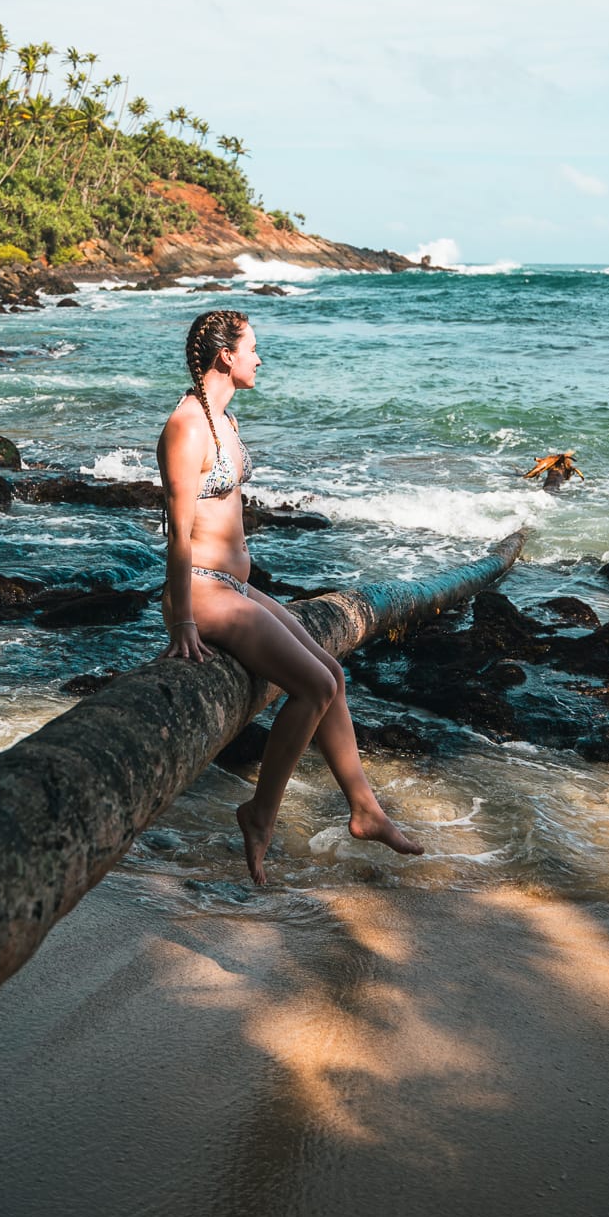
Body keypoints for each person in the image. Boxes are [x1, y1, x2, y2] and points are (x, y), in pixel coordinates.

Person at [156, 308, 424, 885]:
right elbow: (179, 531)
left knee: (333, 671)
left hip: (231, 586)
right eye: (253, 347)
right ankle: (261, 813)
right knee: (314, 685)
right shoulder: (187, 426)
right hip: (201, 595)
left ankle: (364, 809)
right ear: (225, 356)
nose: (260, 357)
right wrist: (181, 623)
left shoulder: (221, 418)